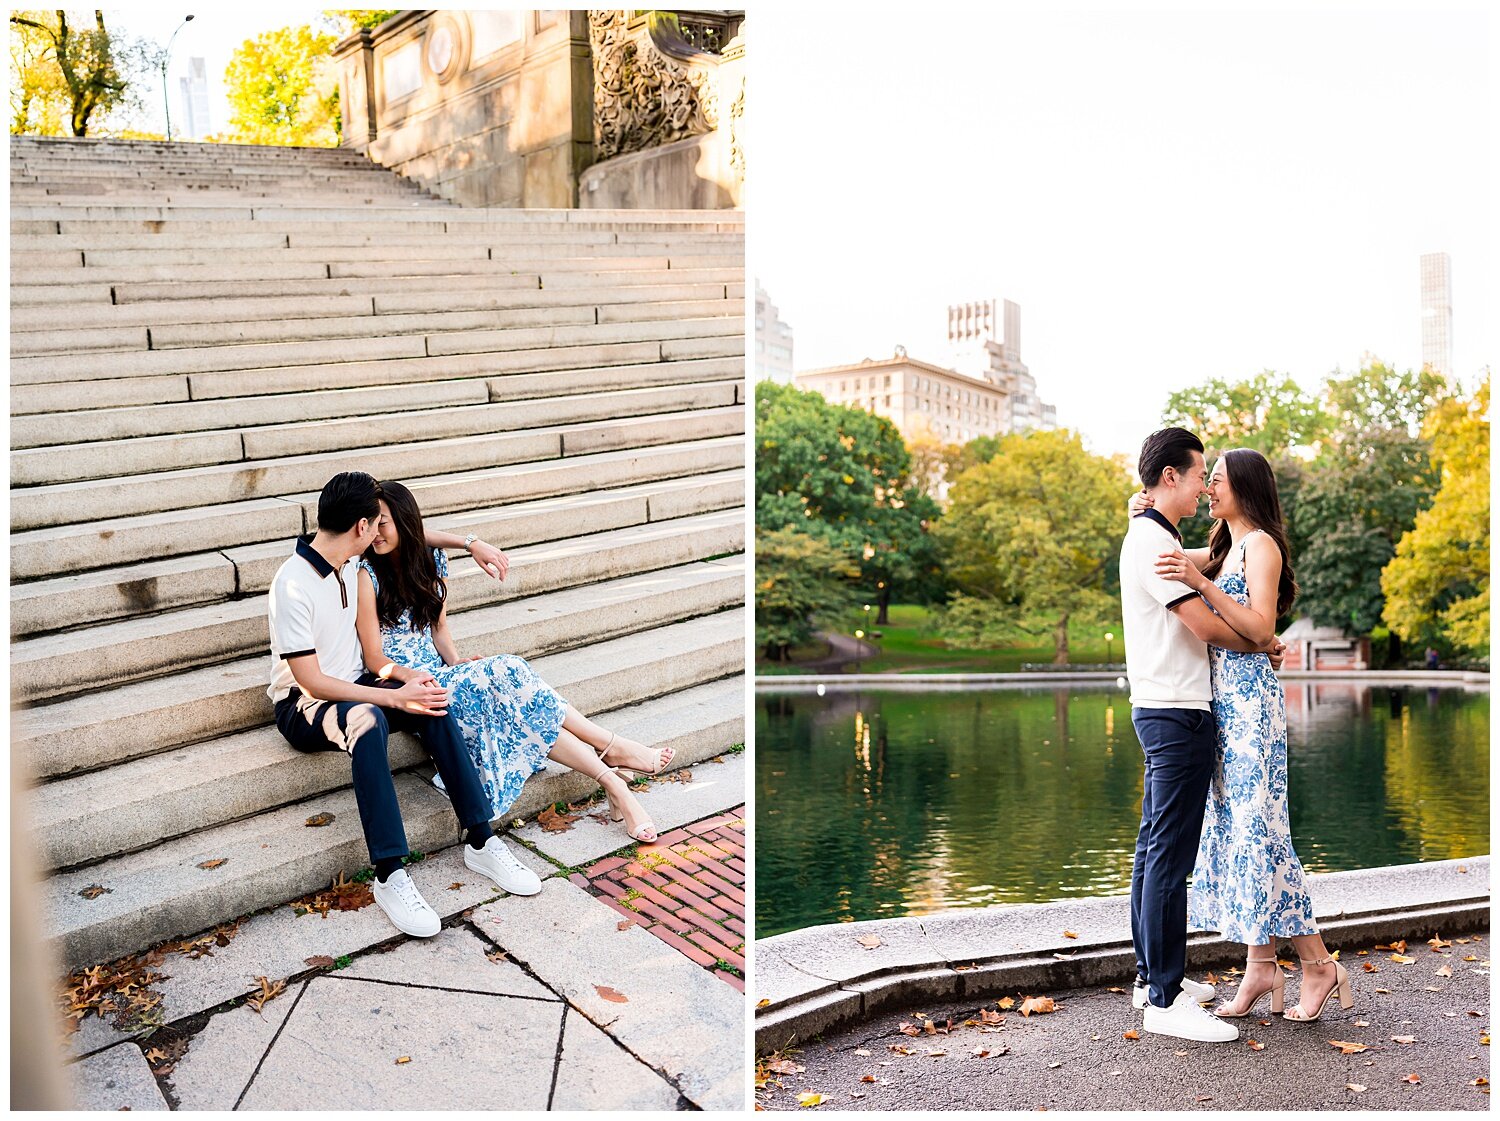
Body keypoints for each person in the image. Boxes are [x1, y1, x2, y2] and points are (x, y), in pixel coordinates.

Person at [267, 472, 542, 940]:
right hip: (304, 703)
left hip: (357, 681)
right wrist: (393, 693)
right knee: (368, 718)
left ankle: (481, 839)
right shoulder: (292, 585)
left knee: (431, 698)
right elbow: (311, 680)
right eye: (377, 524)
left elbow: (415, 532)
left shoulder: (349, 563)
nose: (381, 533)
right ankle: (390, 875)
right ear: (360, 527)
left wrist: (469, 542)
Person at [1139, 446, 1354, 1024]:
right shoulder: (1221, 548)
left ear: (1246, 489)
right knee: (1240, 832)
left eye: (1218, 480)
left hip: (1252, 709)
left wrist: (1201, 584)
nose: (1208, 487)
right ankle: (1261, 965)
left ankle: (1317, 963)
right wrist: (1143, 509)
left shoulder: (1259, 546)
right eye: (1205, 479)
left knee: (1262, 832)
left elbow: (1260, 626)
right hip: (1221, 707)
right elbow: (1158, 549)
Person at [355, 481, 673, 843]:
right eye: (371, 523)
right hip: (408, 685)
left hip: (445, 675)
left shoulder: (428, 559)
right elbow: (374, 657)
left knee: (520, 699)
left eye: (383, 523)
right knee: (510, 671)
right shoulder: (368, 574)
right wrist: (422, 675)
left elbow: (439, 629)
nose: (375, 533)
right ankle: (611, 752)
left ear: (406, 523)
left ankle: (613, 782)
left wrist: (458, 663)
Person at [1119, 428, 1287, 1043]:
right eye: (1197, 476)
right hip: (1176, 709)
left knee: (1154, 846)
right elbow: (1209, 628)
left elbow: (1220, 607)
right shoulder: (1154, 543)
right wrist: (1264, 641)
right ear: (1170, 478)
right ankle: (1163, 999)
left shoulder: (1158, 535)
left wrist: (1261, 637)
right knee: (1168, 854)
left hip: (1172, 706)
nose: (1203, 486)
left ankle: (1152, 979)